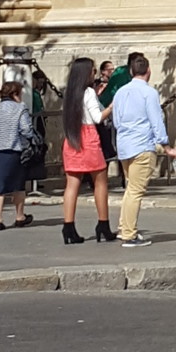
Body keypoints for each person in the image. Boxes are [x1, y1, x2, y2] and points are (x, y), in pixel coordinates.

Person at [110, 51, 176, 245]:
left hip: (125, 145)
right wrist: (166, 146)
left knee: (130, 189)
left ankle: (125, 228)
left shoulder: (121, 92)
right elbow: (156, 120)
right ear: (148, 71)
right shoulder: (149, 93)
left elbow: (116, 120)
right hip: (142, 145)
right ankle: (129, 234)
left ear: (132, 71)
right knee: (136, 191)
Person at [59, 55, 113, 244]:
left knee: (72, 185)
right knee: (100, 182)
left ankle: (68, 226)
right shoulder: (88, 92)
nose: (94, 73)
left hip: (72, 138)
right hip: (88, 137)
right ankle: (103, 224)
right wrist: (112, 106)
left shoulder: (70, 93)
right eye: (93, 70)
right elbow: (98, 117)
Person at [0, 81, 34, 230]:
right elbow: (26, 129)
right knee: (18, 184)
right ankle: (19, 216)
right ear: (15, 94)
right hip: (13, 149)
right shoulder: (20, 108)